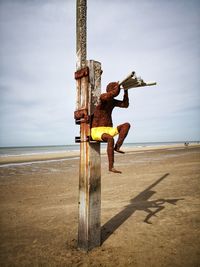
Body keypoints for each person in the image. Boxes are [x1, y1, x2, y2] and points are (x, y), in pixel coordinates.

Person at [91, 82, 130, 173]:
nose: (117, 90)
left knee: (126, 125)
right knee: (110, 138)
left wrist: (126, 90)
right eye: (115, 88)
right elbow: (112, 94)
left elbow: (125, 105)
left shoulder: (113, 101)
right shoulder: (102, 97)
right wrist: (117, 87)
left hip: (108, 129)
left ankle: (117, 147)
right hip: (97, 131)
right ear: (110, 90)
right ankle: (111, 166)